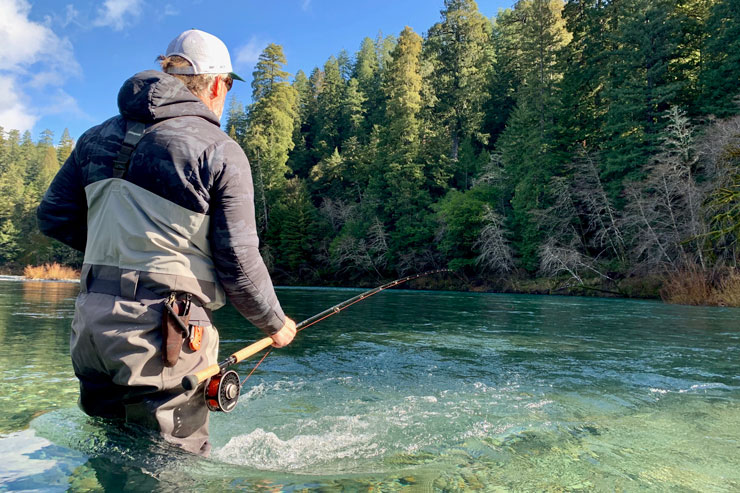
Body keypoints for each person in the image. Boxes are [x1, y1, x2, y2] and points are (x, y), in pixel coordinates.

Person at [37, 29, 296, 456]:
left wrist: (123, 247)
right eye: (228, 86)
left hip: (90, 330)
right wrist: (275, 323)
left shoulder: (94, 138)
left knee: (113, 454)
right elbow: (238, 260)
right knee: (170, 471)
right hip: (165, 338)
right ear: (216, 83)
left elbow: (53, 217)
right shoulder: (219, 148)